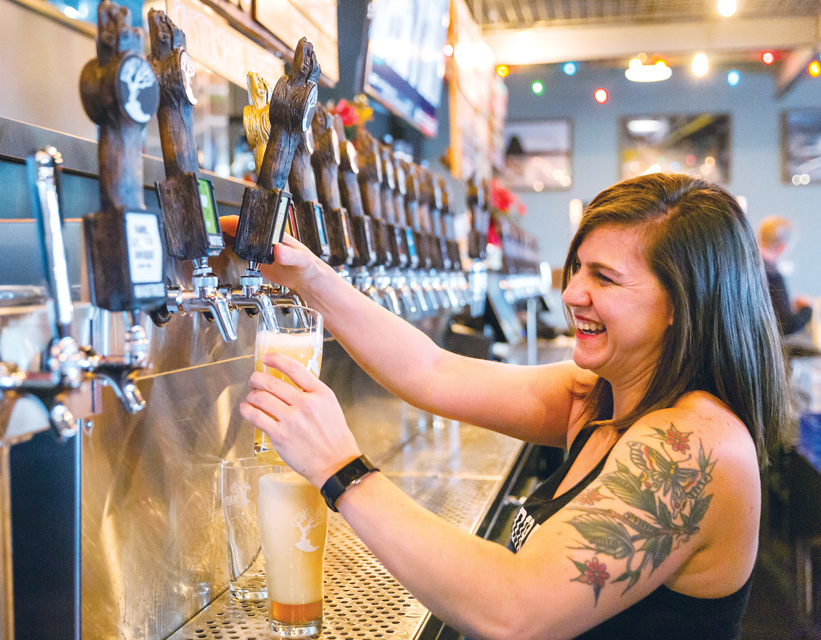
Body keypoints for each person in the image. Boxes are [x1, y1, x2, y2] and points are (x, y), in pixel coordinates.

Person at [226, 172, 786, 639]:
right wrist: (309, 278)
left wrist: (340, 469)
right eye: (578, 268)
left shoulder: (692, 450)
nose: (570, 295)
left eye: (605, 278)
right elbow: (431, 371)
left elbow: (515, 611)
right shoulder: (597, 398)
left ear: (679, 304)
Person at [758, 215, 813, 335]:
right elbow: (785, 326)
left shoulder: (746, 265)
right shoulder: (772, 275)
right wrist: (807, 309)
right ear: (782, 246)